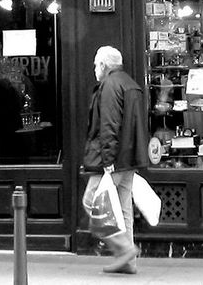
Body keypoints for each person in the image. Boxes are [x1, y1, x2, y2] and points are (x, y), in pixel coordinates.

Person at [82, 45, 148, 275]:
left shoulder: (109, 85)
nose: (94, 68)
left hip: (112, 159)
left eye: (95, 64)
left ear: (104, 65)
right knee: (123, 208)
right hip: (130, 158)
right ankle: (128, 262)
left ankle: (124, 249)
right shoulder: (130, 83)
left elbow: (109, 126)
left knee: (93, 202)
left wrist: (108, 160)